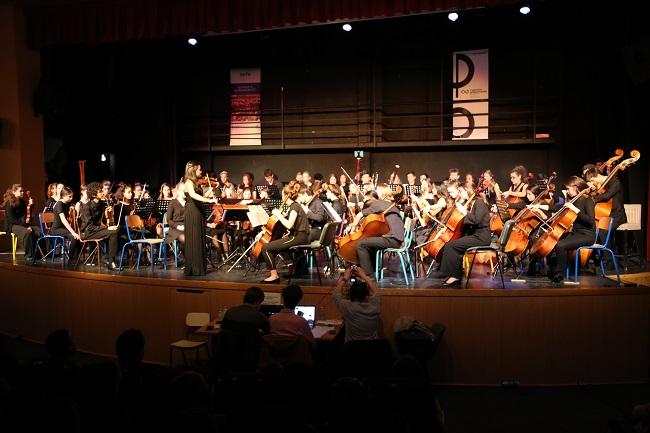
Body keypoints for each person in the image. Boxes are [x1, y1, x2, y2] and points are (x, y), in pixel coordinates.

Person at [433, 193, 491, 288]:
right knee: (452, 244)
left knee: (451, 246)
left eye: (462, 191)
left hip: (481, 237)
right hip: (476, 236)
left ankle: (454, 276)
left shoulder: (479, 202)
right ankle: (453, 273)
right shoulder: (474, 204)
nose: (460, 193)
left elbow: (476, 220)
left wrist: (464, 212)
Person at [546, 176, 595, 283]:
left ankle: (560, 274)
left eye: (568, 189)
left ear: (576, 187)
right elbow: (558, 208)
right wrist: (540, 207)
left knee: (560, 245)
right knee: (552, 240)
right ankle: (553, 269)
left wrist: (575, 210)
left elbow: (590, 221)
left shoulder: (588, 201)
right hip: (576, 233)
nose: (567, 192)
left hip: (587, 235)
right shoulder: (575, 200)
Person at [348, 183, 404, 277]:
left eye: (377, 191)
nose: (375, 193)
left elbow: (359, 215)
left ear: (381, 193)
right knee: (370, 242)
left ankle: (368, 275)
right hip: (397, 238)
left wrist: (352, 229)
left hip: (392, 239)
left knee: (360, 244)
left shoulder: (379, 203)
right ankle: (372, 269)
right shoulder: (388, 204)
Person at [259, 181, 310, 283]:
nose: (282, 198)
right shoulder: (293, 206)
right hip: (297, 235)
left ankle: (274, 276)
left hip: (299, 236)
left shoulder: (294, 207)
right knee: (278, 244)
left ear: (287, 196)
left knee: (265, 248)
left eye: (283, 195)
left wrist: (279, 214)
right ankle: (291, 267)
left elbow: (289, 225)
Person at [183, 161, 219, 276]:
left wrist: (211, 191)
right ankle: (193, 269)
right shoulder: (188, 182)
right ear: (193, 170)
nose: (201, 171)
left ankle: (199, 268)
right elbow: (193, 195)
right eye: (199, 169)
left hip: (198, 211)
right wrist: (209, 200)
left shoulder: (196, 182)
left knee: (199, 238)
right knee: (193, 238)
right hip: (192, 212)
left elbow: (201, 196)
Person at [332, 267, 381, 342]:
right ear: (367, 294)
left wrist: (345, 277)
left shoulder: (348, 307)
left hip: (352, 350)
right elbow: (376, 292)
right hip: (372, 351)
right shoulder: (375, 307)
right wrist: (364, 276)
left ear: (351, 295)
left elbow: (336, 294)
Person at [78, 182, 119, 269]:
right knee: (113, 232)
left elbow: (103, 220)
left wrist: (109, 212)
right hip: (88, 232)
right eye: (100, 191)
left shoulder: (101, 204)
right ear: (93, 194)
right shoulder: (86, 207)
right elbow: (89, 227)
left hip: (96, 230)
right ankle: (111, 262)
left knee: (118, 229)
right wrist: (107, 228)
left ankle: (106, 257)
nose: (103, 193)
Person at [582, 163, 626, 239]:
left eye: (592, 181)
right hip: (605, 215)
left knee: (602, 232)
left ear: (595, 176)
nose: (592, 183)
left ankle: (606, 250)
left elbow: (606, 196)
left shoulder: (615, 183)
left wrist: (590, 200)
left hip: (616, 216)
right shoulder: (602, 185)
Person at [2, 184, 42, 260]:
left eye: (22, 191)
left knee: (38, 230)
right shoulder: (9, 203)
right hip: (12, 225)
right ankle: (29, 255)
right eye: (20, 191)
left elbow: (27, 215)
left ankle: (38, 254)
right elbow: (11, 219)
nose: (22, 192)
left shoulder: (22, 202)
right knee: (27, 232)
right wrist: (25, 226)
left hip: (22, 224)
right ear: (14, 192)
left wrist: (31, 205)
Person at [50, 187, 81, 263]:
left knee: (78, 236)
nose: (71, 198)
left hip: (62, 229)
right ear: (63, 196)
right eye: (69, 196)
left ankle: (76, 258)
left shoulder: (66, 204)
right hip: (56, 229)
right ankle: (71, 259)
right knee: (73, 236)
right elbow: (63, 220)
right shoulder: (59, 204)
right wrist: (73, 232)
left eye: (72, 196)